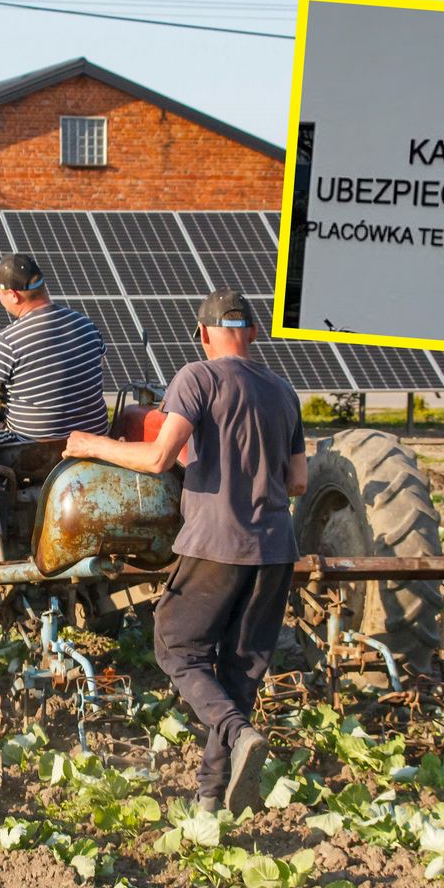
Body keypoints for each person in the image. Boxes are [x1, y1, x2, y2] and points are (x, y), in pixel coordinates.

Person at [63, 289, 306, 816]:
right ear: (254, 333)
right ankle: (211, 800)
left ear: (203, 334)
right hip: (277, 550)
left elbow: (156, 458)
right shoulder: (285, 391)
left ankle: (238, 735)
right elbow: (300, 481)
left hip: (218, 543)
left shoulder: (198, 376)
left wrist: (89, 445)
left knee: (176, 647)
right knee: (240, 670)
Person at [0, 253, 109, 449]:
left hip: (32, 448)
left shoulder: (6, 342)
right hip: (94, 440)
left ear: (13, 295)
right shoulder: (86, 326)